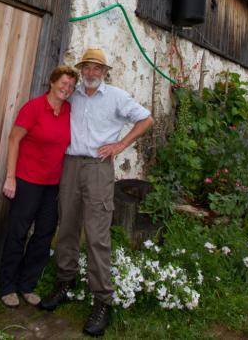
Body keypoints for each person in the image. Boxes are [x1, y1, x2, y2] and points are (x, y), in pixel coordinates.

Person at [40, 48, 154, 336]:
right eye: (87, 68)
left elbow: (147, 120)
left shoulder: (116, 97)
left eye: (97, 68)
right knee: (66, 227)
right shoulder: (73, 94)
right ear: (82, 70)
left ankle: (102, 300)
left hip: (98, 168)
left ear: (105, 72)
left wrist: (119, 145)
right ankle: (64, 284)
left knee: (97, 234)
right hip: (70, 166)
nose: (91, 73)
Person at [0, 65, 79, 308]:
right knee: (18, 233)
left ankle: (27, 284)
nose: (67, 89)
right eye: (64, 83)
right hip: (27, 181)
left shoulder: (68, 111)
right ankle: (7, 286)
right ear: (52, 82)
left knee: (43, 235)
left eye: (71, 86)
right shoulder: (33, 107)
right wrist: (10, 177)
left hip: (53, 185)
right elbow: (14, 139)